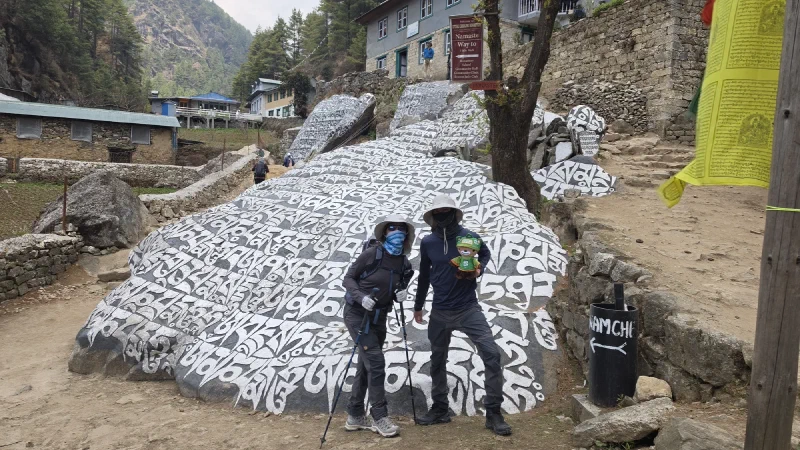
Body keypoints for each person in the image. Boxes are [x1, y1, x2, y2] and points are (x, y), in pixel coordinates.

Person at [413, 194, 512, 436]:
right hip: (439, 310)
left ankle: (494, 413)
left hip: (468, 308)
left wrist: (479, 269)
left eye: (446, 211)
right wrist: (418, 306)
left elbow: (485, 254)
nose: (442, 215)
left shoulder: (470, 237)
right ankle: (440, 409)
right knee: (437, 360)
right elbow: (424, 275)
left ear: (455, 213)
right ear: (432, 217)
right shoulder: (427, 242)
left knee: (491, 353)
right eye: (438, 212)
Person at [342, 214, 415, 438]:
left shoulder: (403, 262)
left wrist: (400, 294)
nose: (397, 232)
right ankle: (379, 416)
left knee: (366, 365)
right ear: (384, 232)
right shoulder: (371, 254)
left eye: (401, 229)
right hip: (357, 315)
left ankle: (355, 416)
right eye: (392, 228)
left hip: (379, 318)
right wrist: (360, 296)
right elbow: (348, 278)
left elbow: (400, 284)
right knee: (376, 362)